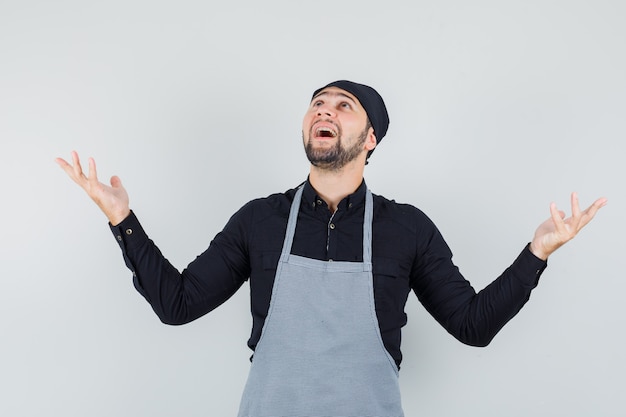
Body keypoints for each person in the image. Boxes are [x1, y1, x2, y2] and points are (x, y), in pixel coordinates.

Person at [56, 80, 607, 417]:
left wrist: (537, 253)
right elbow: (177, 305)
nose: (324, 111)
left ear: (370, 139)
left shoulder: (407, 229)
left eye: (343, 106)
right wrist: (122, 220)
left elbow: (472, 324)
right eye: (318, 103)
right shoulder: (259, 220)